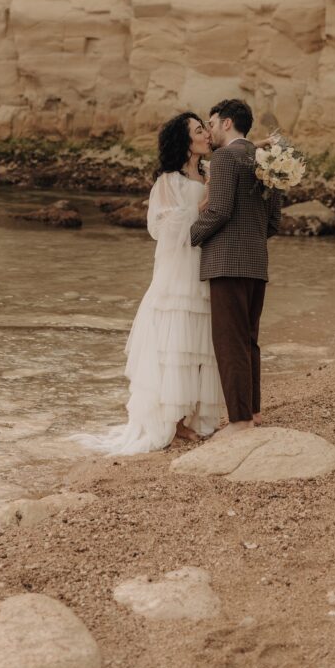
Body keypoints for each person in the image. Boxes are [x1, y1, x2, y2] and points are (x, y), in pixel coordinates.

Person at [73, 112, 225, 454]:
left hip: (205, 263)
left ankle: (189, 416)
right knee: (175, 339)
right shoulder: (168, 181)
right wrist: (201, 206)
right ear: (184, 142)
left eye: (204, 129)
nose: (205, 135)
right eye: (198, 131)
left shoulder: (210, 172)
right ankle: (171, 421)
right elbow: (162, 229)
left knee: (198, 342)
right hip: (176, 269)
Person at [191, 99, 281, 435]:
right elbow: (274, 222)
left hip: (226, 263)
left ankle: (240, 420)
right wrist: (251, 239)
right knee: (249, 339)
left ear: (227, 123)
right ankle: (253, 412)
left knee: (229, 342)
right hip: (257, 262)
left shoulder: (226, 157)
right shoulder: (267, 159)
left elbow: (220, 210)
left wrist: (188, 237)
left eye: (212, 123)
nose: (210, 130)